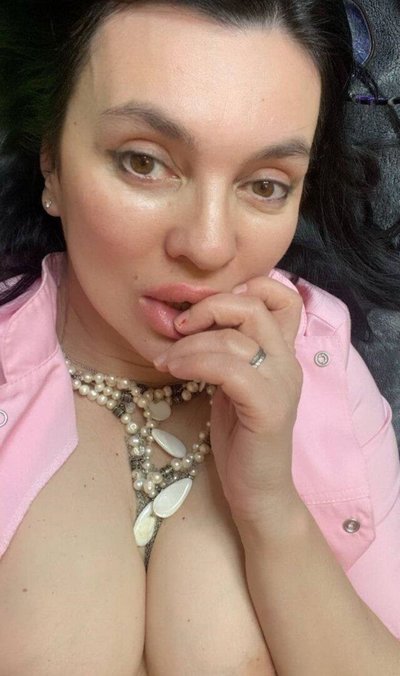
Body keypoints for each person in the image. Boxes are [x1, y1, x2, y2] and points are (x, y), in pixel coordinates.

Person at [0, 1, 400, 674]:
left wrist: (273, 514)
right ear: (51, 161)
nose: (209, 246)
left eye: (265, 185)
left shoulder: (323, 362)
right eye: (144, 162)